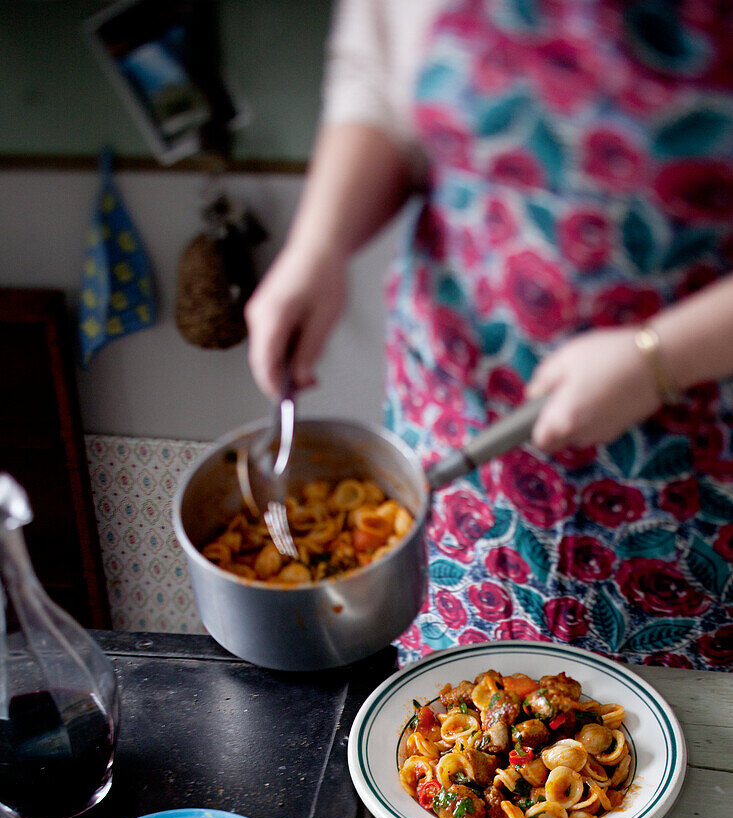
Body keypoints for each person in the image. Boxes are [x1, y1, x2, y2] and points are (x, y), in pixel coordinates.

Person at [245, 0, 733, 670]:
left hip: (697, 450)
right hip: (457, 406)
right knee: (456, 714)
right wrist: (318, 247)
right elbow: (379, 89)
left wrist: (660, 357)